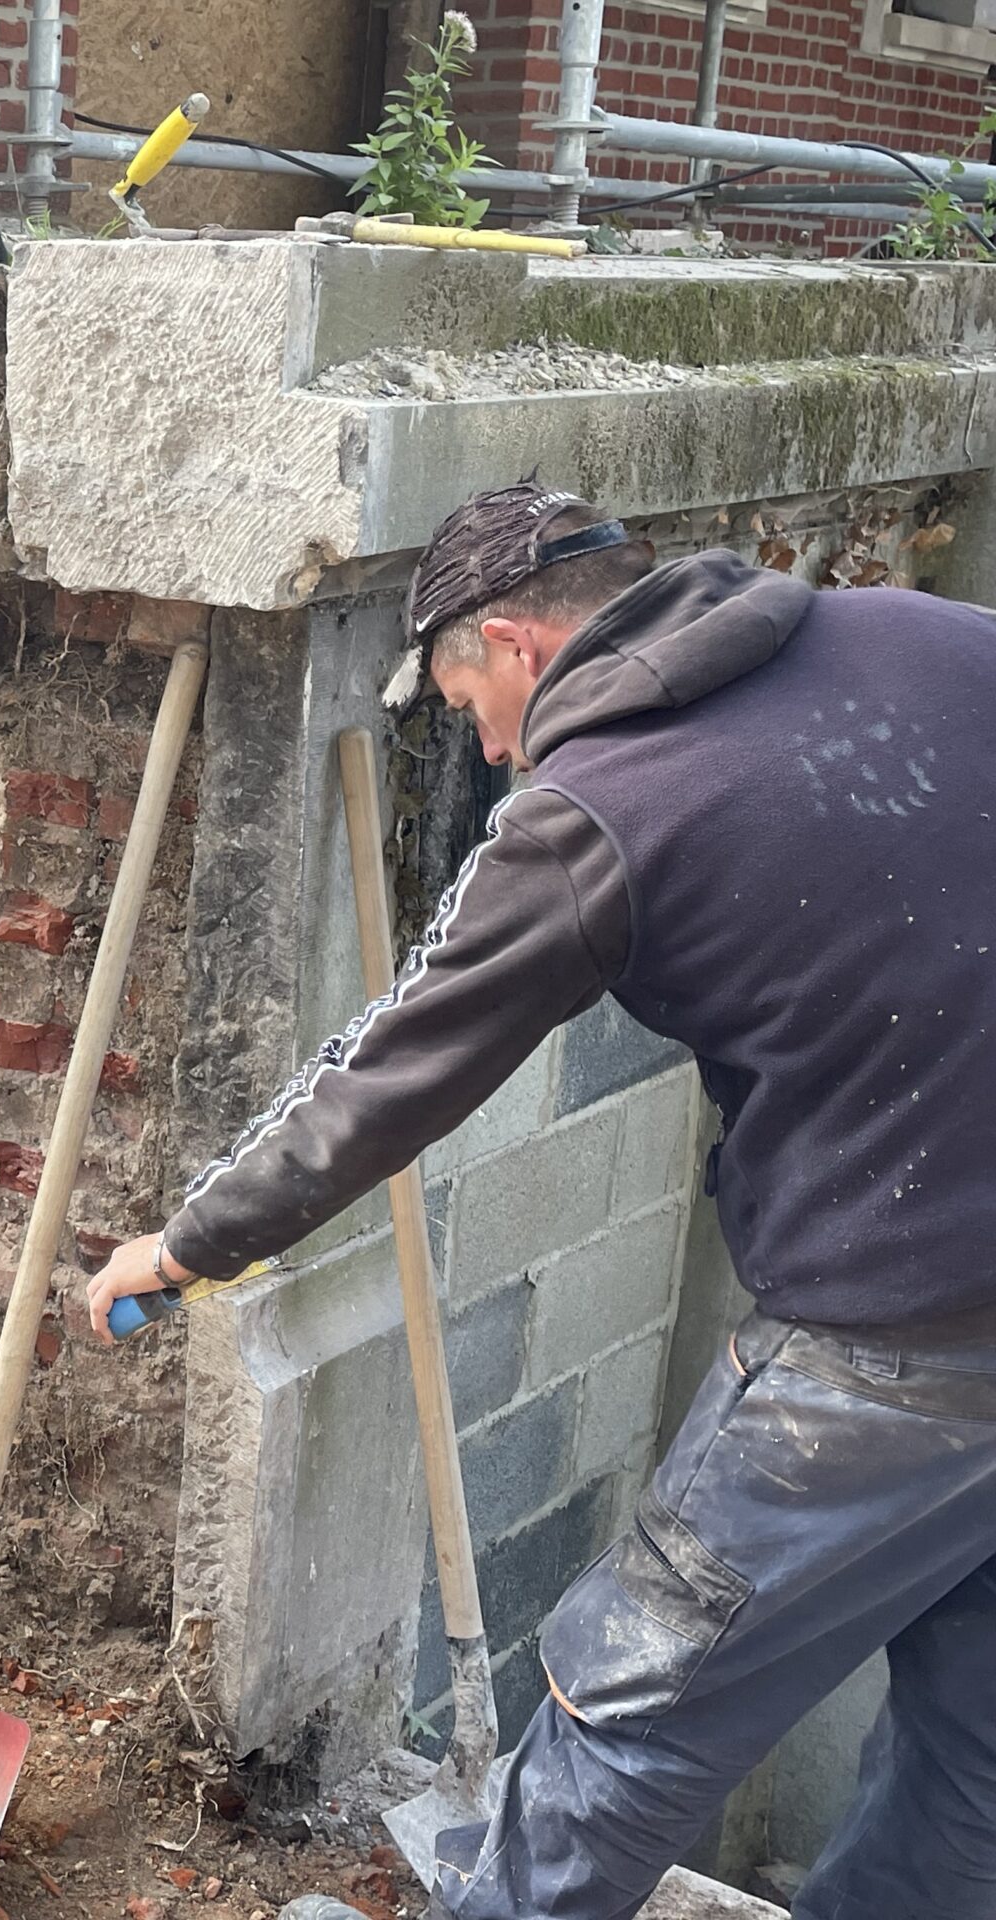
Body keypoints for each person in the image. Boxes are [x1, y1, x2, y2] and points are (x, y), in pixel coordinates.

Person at [86, 484, 996, 1920]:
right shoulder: (934, 635)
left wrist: (187, 1240)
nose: (491, 746)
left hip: (901, 1344)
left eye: (468, 705)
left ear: (514, 642)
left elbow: (386, 1078)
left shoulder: (596, 807)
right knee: (978, 1770)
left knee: (622, 1726)